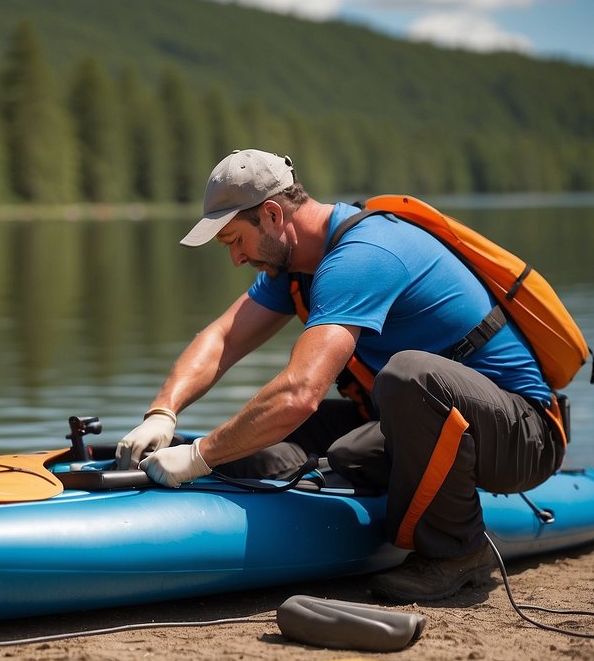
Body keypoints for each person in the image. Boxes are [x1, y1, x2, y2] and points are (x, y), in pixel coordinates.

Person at [117, 149, 565, 604]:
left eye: (235, 240)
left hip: (524, 434)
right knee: (311, 440)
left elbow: (299, 393)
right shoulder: (295, 265)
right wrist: (163, 411)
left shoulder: (363, 255)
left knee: (407, 376)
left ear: (272, 215)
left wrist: (199, 455)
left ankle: (458, 554)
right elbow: (223, 339)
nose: (235, 258)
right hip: (424, 421)